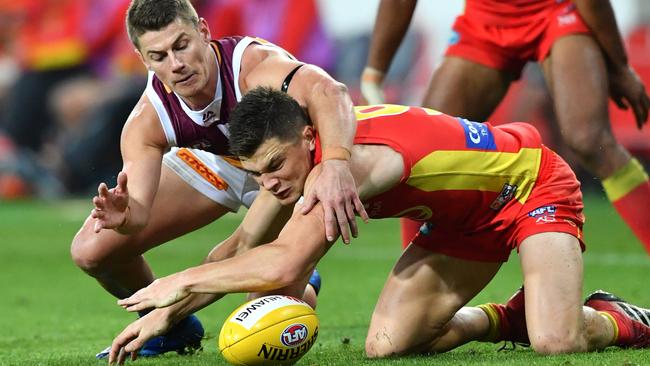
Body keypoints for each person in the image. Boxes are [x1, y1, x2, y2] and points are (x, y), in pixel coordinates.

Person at [108, 88, 650, 364]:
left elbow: (285, 263)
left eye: (275, 166)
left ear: (305, 137)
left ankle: (621, 319)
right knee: (387, 346)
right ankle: (509, 318)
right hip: (460, 221)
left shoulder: (347, 169)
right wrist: (167, 315)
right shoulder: (297, 166)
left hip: (530, 184)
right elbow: (244, 243)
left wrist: (175, 280)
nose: (269, 184)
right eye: (256, 174)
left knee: (557, 342)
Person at [70, 0, 368, 359]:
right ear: (142, 58)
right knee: (91, 249)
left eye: (182, 45)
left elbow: (331, 92)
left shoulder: (252, 67)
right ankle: (172, 329)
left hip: (285, 165)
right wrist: (126, 218)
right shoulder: (148, 121)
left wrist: (335, 164)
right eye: (159, 55)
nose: (176, 63)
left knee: (266, 306)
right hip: (220, 160)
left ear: (203, 32)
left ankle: (295, 277)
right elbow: (139, 215)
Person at [361, 0, 650, 252]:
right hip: (486, 18)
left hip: (556, 11)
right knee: (424, 148)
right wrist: (374, 72)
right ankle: (412, 297)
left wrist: (620, 67)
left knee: (589, 139)